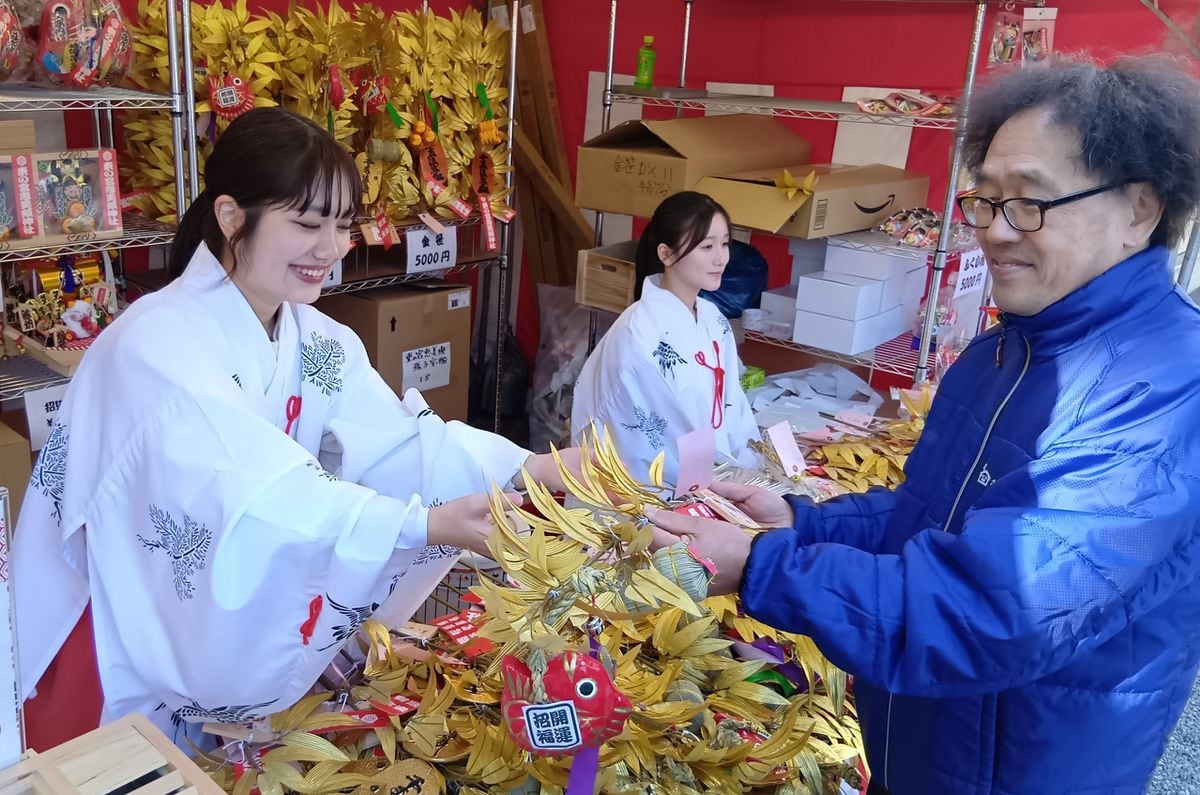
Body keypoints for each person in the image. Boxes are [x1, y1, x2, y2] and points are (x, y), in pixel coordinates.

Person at [645, 55, 1200, 794]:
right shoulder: (1002, 353)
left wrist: (762, 565)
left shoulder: (1164, 389)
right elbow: (925, 519)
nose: (996, 232)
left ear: (1141, 207)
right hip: (927, 748)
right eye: (985, 201)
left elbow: (992, 609)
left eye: (1030, 203)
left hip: (1025, 768)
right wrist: (799, 523)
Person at [14, 108, 579, 748]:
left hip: (198, 633)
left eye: (343, 225)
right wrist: (419, 526)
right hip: (121, 626)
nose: (331, 249)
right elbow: (255, 500)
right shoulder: (153, 349)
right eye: (307, 224)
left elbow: (396, 441)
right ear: (231, 218)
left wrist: (531, 469)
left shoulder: (314, 337)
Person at [571, 191, 759, 488]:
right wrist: (710, 478)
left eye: (725, 244)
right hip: (658, 486)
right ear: (666, 254)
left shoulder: (713, 318)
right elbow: (645, 429)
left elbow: (731, 401)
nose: (721, 258)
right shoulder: (638, 330)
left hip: (714, 471)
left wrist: (744, 464)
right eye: (707, 246)